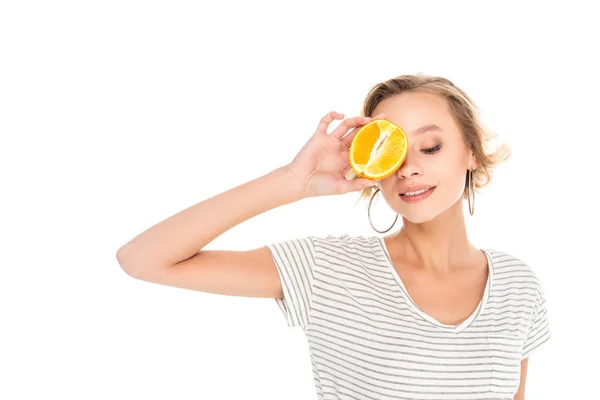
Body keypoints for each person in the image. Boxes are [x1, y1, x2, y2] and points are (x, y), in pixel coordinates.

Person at [116, 74, 550, 400]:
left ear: (471, 151)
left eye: (430, 147)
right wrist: (292, 181)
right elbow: (142, 259)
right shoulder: (327, 269)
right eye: (390, 150)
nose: (408, 168)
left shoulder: (517, 284)